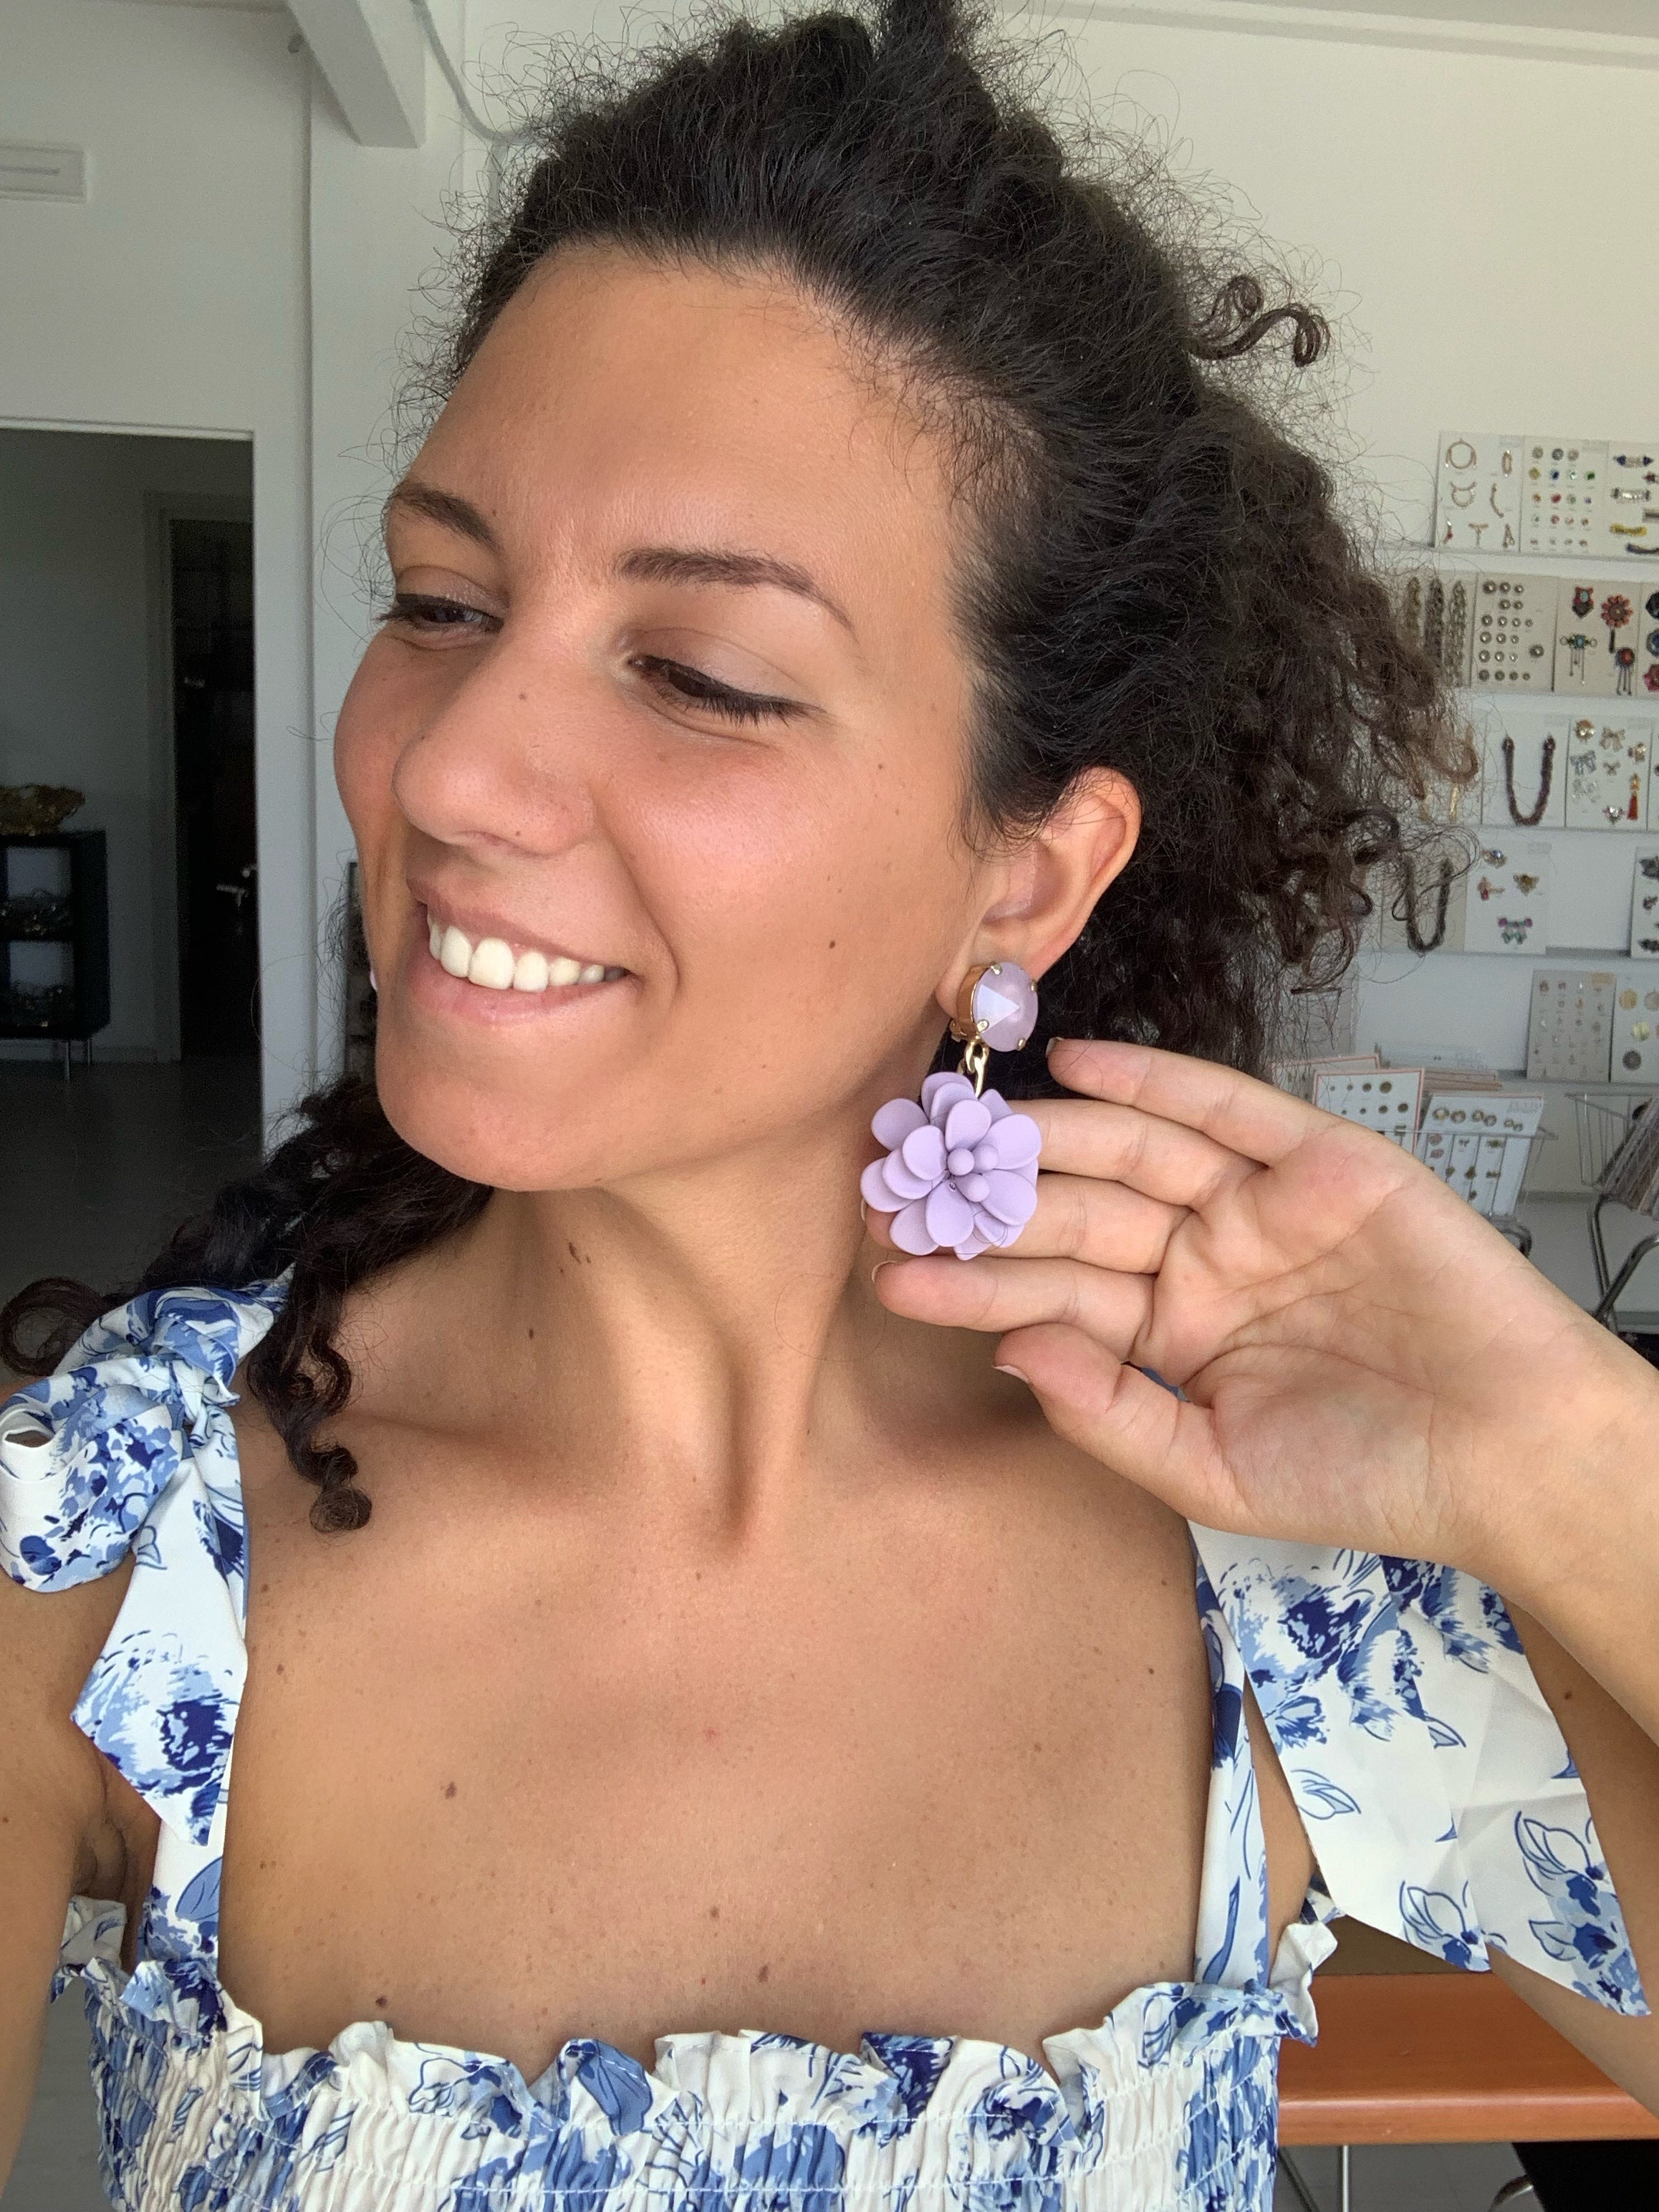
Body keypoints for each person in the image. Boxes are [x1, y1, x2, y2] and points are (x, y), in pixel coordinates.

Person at [1, 1, 1655, 2206]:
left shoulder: (1274, 1595)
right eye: (440, 598)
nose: (447, 768)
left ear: (1028, 868)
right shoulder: (118, 1555)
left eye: (697, 674)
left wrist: (1573, 1456)